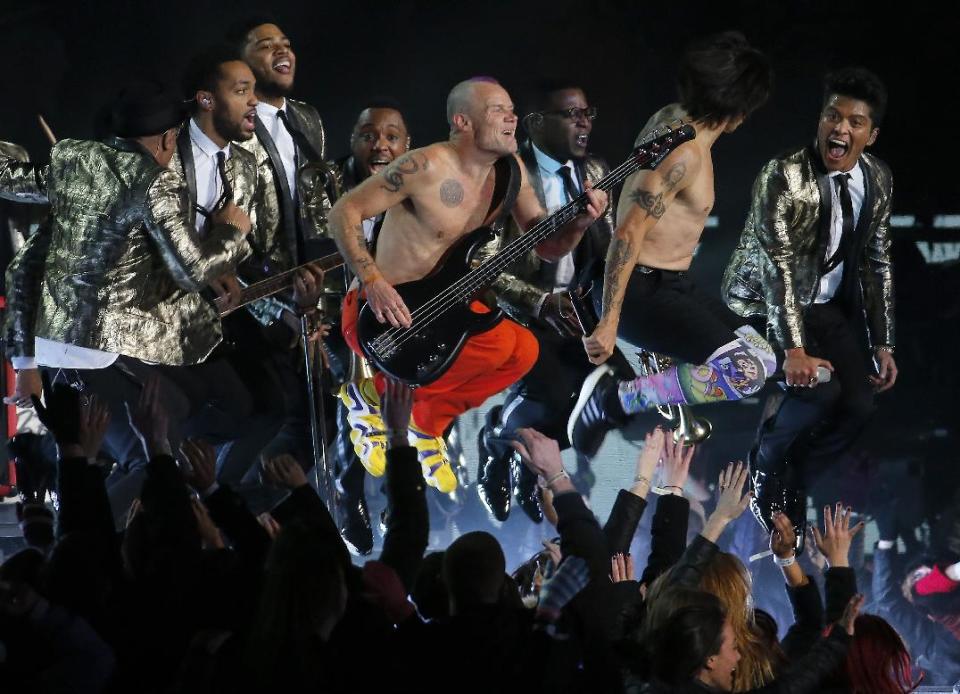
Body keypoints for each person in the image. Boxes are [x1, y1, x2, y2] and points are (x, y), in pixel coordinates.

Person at [330, 76, 608, 493]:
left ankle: (423, 423)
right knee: (502, 347)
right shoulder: (422, 166)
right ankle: (376, 392)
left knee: (522, 350)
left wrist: (582, 222)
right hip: (383, 315)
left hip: (446, 310)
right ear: (463, 122)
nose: (512, 116)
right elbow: (343, 213)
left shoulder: (509, 169)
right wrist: (372, 281)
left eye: (512, 109)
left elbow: (547, 245)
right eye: (499, 109)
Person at [0, 81, 254, 519]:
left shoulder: (72, 160)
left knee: (213, 405)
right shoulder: (156, 183)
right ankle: (79, 536)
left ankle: (160, 504)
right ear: (167, 139)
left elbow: (10, 184)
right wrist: (231, 232)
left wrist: (25, 363)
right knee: (153, 457)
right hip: (91, 353)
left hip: (100, 344)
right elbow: (191, 270)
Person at [565, 31, 775, 459]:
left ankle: (648, 382)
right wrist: (609, 320)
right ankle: (612, 400)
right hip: (640, 291)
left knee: (763, 357)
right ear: (739, 110)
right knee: (746, 375)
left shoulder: (675, 117)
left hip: (672, 283)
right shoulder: (684, 155)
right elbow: (627, 232)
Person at [721, 67, 896, 542]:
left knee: (860, 406)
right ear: (820, 122)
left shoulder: (876, 179)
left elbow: (877, 263)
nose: (840, 129)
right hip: (760, 306)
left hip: (823, 308)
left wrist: (882, 342)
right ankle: (765, 466)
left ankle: (790, 479)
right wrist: (792, 349)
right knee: (820, 392)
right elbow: (778, 268)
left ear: (870, 134)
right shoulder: (782, 176)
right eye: (832, 117)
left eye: (854, 122)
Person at [473, 80, 630, 520]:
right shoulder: (504, 175)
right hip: (520, 312)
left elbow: (608, 250)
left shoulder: (596, 170)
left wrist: (611, 313)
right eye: (571, 114)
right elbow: (482, 266)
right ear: (537, 123)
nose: (584, 123)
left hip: (576, 311)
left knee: (604, 401)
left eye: (587, 113)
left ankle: (526, 461)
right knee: (554, 391)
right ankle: (497, 442)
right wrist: (540, 303)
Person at [331, 100, 411, 553]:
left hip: (404, 315)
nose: (380, 144)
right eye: (369, 135)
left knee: (414, 402)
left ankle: (400, 501)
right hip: (338, 315)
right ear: (354, 142)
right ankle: (348, 493)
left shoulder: (419, 186)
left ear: (407, 144)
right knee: (354, 403)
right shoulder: (325, 184)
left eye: (391, 136)